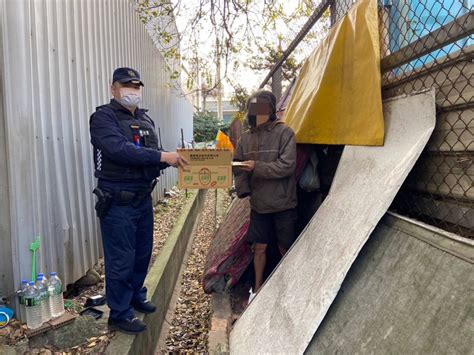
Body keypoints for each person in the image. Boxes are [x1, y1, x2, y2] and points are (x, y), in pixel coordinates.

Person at [89, 67, 187, 334]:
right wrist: (162, 157)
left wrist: (173, 161)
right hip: (117, 200)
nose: (132, 91)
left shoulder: (145, 120)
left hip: (142, 198)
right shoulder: (103, 118)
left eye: (136, 87)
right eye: (126, 86)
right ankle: (119, 314)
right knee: (121, 257)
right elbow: (120, 151)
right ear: (113, 89)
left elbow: (151, 155)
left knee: (142, 253)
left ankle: (135, 296)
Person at [233, 90, 297, 301]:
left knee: (285, 247)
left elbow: (287, 166)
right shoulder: (245, 138)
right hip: (258, 203)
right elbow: (238, 166)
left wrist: (257, 167)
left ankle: (288, 288)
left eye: (262, 108)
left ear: (271, 109)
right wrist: (244, 190)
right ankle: (257, 290)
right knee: (258, 246)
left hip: (283, 203)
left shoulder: (285, 133)